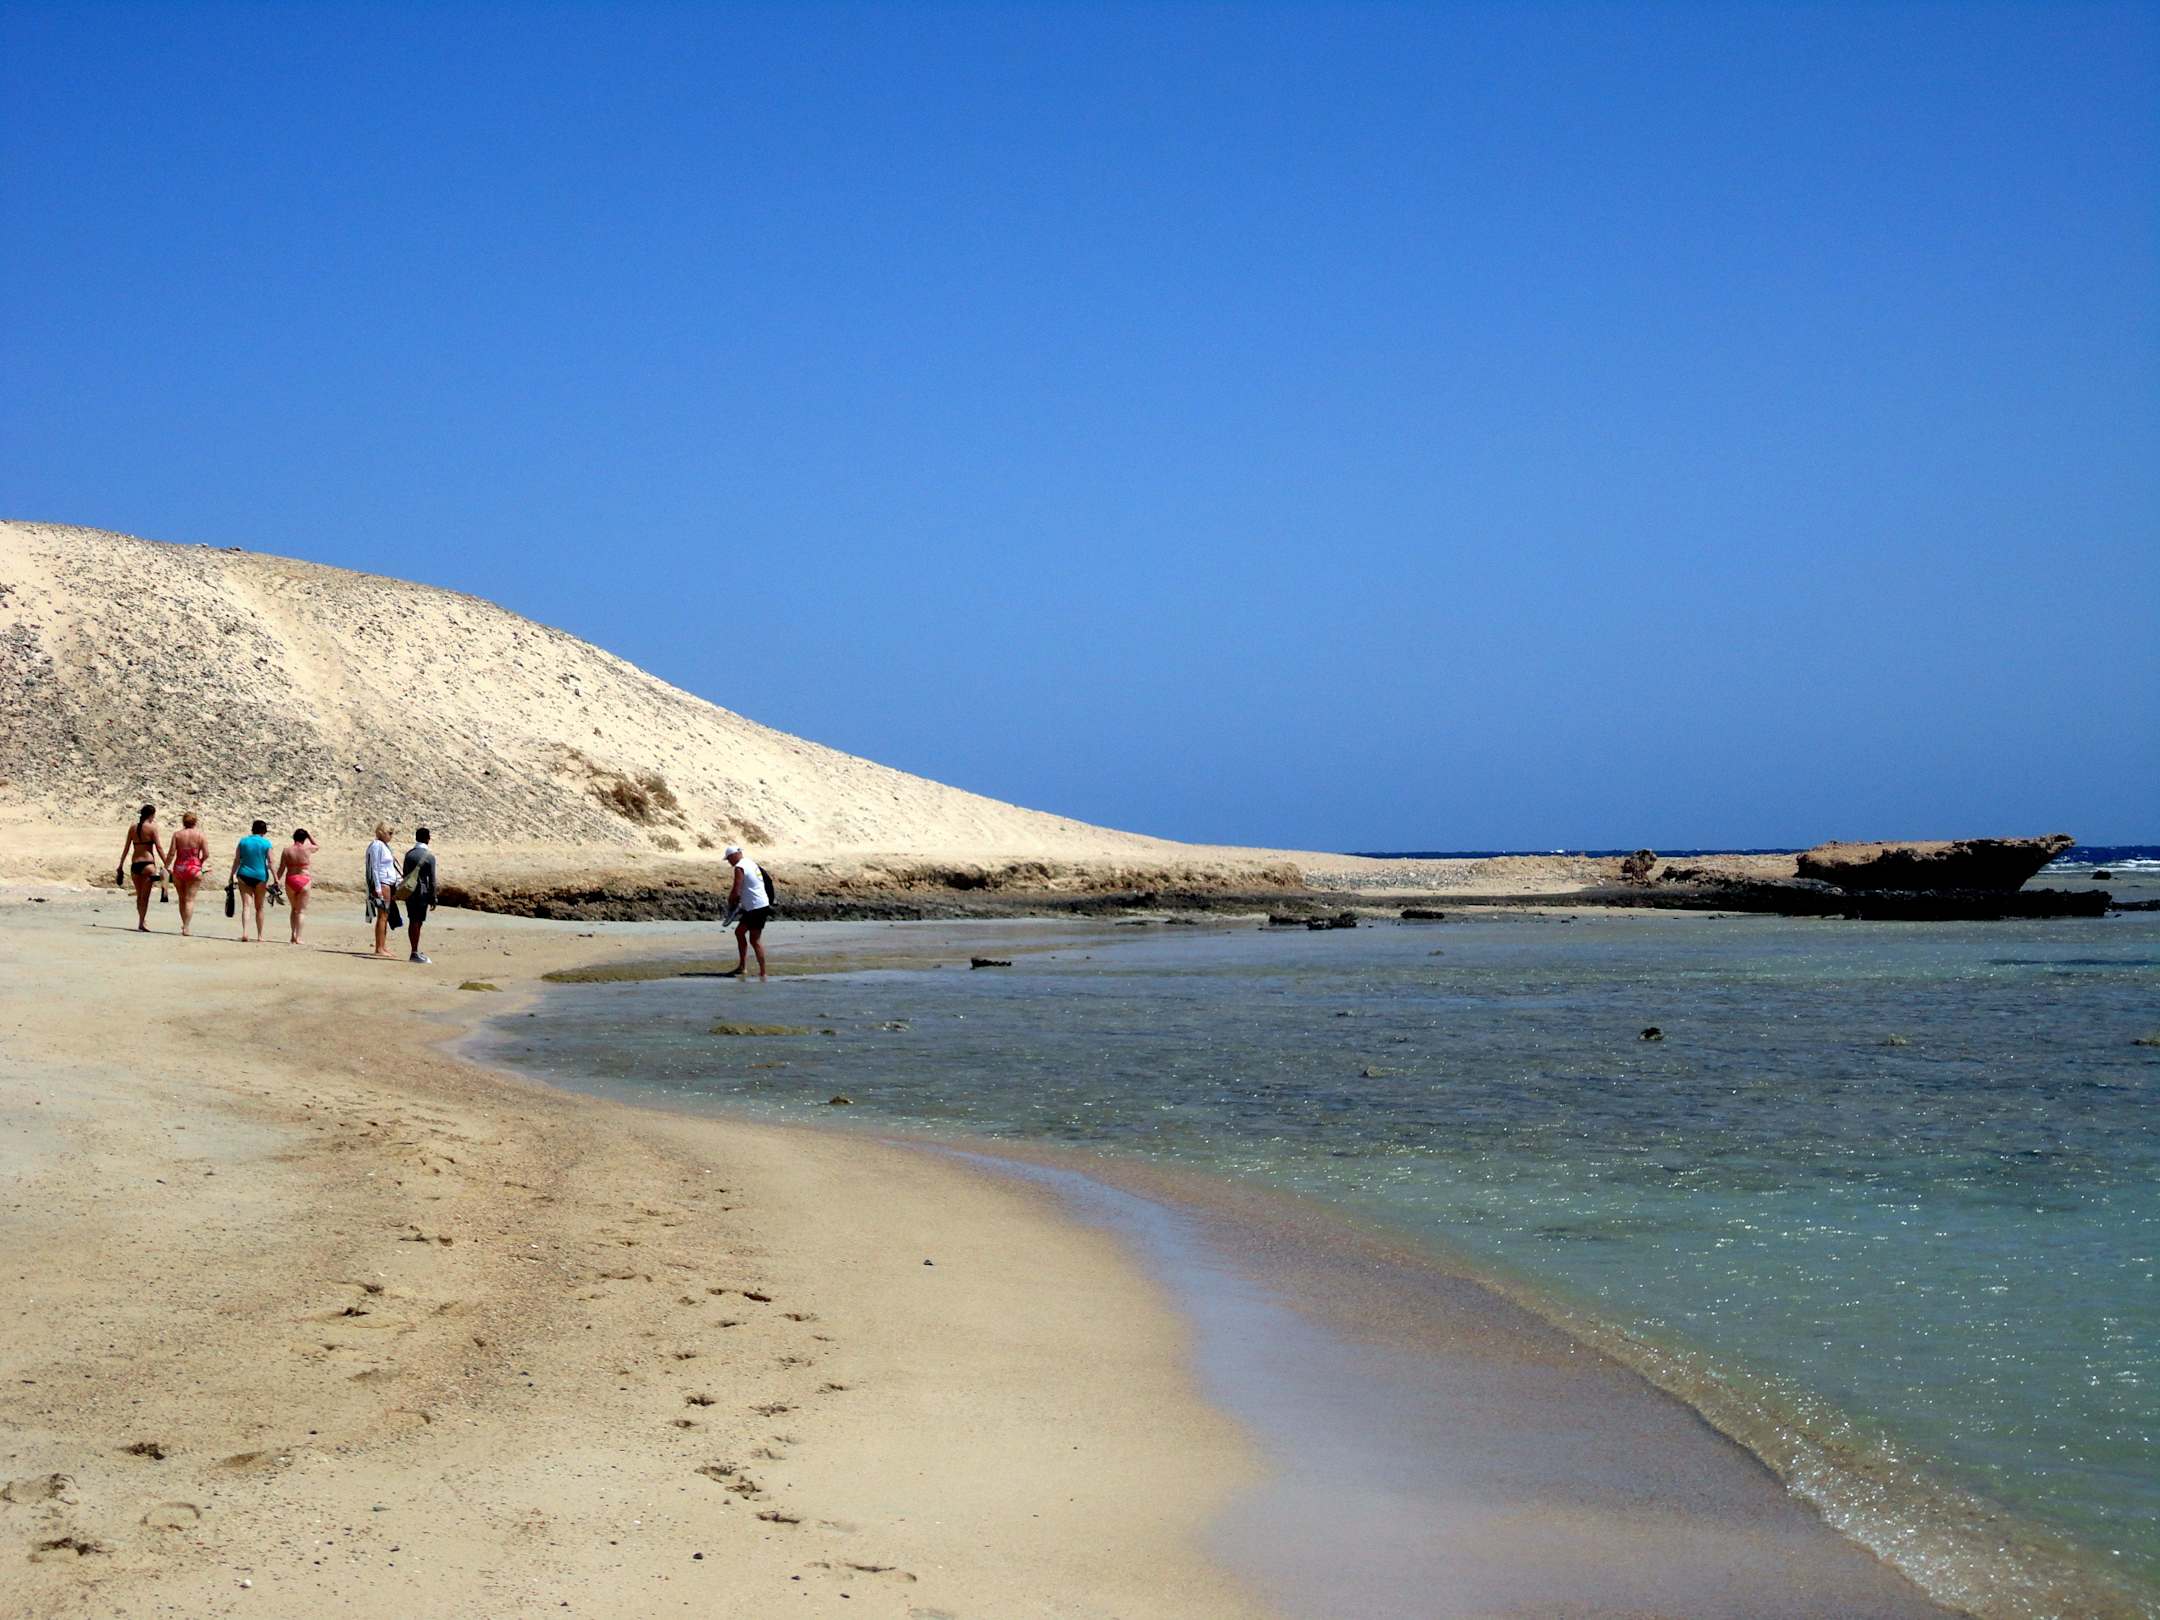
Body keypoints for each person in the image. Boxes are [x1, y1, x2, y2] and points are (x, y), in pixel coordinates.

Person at [721, 844, 771, 980]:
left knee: (755, 940)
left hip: (756, 907)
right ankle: (742, 967)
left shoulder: (739, 867)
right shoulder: (750, 863)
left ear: (734, 856)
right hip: (758, 905)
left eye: (729, 859)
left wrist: (731, 903)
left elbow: (736, 890)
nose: (729, 862)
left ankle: (763, 973)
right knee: (739, 932)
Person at [115, 804, 165, 932]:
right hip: (148, 864)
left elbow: (126, 848)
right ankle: (142, 922)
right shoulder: (152, 828)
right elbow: (159, 848)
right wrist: (167, 863)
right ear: (151, 815)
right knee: (145, 896)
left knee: (139, 895)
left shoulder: (133, 828)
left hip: (135, 864)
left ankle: (141, 921)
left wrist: (121, 865)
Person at [226, 819, 275, 942]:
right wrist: (276, 878)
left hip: (244, 874)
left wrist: (232, 874)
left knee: (246, 906)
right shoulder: (266, 843)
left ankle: (245, 933)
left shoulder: (243, 841)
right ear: (264, 831)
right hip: (260, 876)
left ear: (252, 829)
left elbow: (237, 860)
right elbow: (271, 862)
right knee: (259, 907)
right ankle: (260, 936)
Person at [163, 810, 209, 936]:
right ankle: (186, 927)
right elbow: (206, 854)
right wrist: (199, 862)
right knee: (190, 900)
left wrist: (166, 866)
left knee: (182, 898)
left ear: (183, 821)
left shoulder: (177, 835)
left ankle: (184, 924)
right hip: (194, 868)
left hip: (179, 868)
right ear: (195, 822)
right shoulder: (200, 835)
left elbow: (171, 853)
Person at [401, 828, 439, 964]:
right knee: (418, 921)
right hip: (422, 893)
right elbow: (432, 880)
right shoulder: (429, 857)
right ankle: (414, 952)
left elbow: (405, 874)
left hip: (409, 892)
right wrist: (433, 897)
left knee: (413, 920)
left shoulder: (409, 855)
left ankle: (414, 949)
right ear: (428, 838)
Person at [276, 828, 320, 946]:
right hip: (304, 879)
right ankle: (298, 938)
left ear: (294, 837)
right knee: (301, 911)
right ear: (304, 839)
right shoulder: (308, 848)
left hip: (290, 880)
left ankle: (293, 935)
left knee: (293, 909)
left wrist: (276, 881)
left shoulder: (286, 850)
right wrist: (309, 835)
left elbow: (281, 868)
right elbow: (317, 846)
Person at [365, 823, 400, 959]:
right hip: (382, 883)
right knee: (383, 915)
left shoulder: (385, 846)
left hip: (388, 882)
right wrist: (378, 888)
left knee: (386, 915)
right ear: (382, 833)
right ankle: (379, 948)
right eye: (389, 833)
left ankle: (382, 945)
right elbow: (374, 867)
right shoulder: (376, 845)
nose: (391, 836)